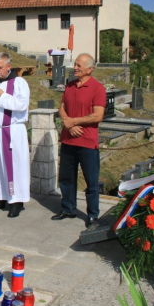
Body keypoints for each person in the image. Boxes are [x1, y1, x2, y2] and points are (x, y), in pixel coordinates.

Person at [51, 53, 106, 228]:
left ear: (90, 69)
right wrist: (68, 124)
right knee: (66, 178)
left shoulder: (98, 88)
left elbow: (98, 116)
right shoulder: (70, 86)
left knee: (91, 181)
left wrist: (73, 121)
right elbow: (62, 108)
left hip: (87, 143)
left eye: (79, 66)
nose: (75, 68)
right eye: (75, 64)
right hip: (68, 141)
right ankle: (68, 208)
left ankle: (92, 215)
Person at [0, 52, 30, 218]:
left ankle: (16, 202)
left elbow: (22, 105)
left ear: (9, 66)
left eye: (0, 67)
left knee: (15, 167)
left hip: (13, 131)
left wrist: (3, 95)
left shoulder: (19, 83)